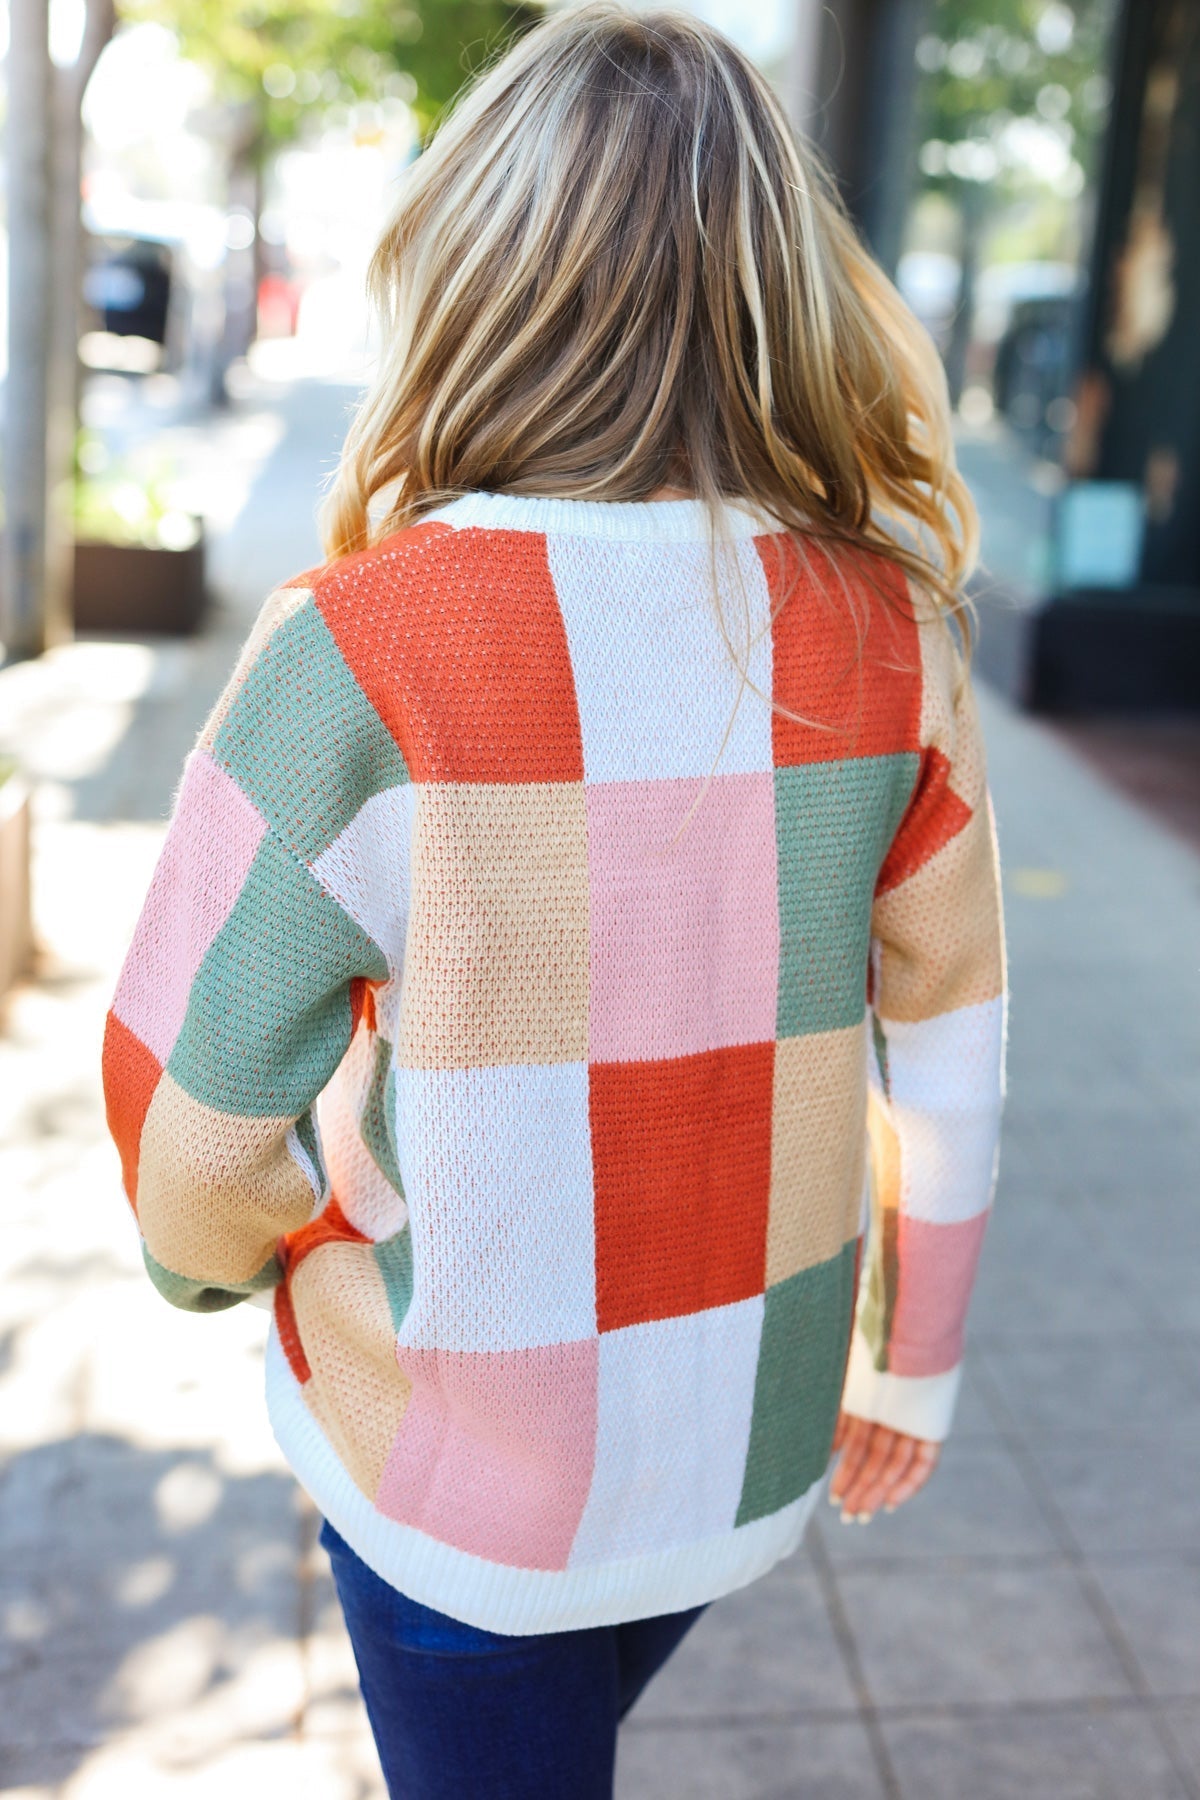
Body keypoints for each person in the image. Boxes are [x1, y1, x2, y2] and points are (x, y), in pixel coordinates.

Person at [101, 6, 1007, 1795]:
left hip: (457, 1465)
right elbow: (958, 1050)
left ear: (471, 275)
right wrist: (917, 1360)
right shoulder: (897, 638)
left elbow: (191, 1129)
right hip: (738, 1441)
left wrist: (244, 1270)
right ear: (785, 289)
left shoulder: (360, 648)